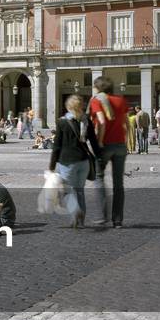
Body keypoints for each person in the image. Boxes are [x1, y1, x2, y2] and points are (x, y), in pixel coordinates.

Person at [89, 76, 129, 228]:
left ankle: (102, 216)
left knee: (99, 178)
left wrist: (99, 141)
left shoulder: (96, 100)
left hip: (105, 145)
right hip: (120, 146)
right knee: (119, 183)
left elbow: (102, 122)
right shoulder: (121, 100)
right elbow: (126, 124)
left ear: (98, 88)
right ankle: (117, 220)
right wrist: (125, 140)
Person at [49, 94, 94, 228]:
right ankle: (82, 219)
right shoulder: (86, 120)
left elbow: (57, 145)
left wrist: (52, 165)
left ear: (68, 107)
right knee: (79, 190)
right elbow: (94, 142)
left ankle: (75, 212)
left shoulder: (62, 122)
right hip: (84, 161)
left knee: (67, 190)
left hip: (67, 161)